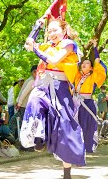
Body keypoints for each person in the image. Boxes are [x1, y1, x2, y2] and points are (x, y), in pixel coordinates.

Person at [21, 18, 86, 179]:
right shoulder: (47, 46)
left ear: (63, 31)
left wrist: (36, 48)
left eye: (55, 30)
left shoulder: (69, 45)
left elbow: (54, 60)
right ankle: (39, 137)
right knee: (34, 101)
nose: (51, 33)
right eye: (49, 31)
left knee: (65, 128)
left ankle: (67, 172)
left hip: (60, 88)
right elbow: (28, 44)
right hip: (43, 85)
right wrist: (37, 26)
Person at [73, 38, 107, 153]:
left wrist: (95, 47)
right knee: (75, 125)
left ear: (91, 68)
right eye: (83, 63)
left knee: (87, 126)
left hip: (87, 103)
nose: (84, 64)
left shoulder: (93, 77)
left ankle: (85, 148)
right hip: (76, 103)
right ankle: (75, 148)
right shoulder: (77, 76)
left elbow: (97, 60)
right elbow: (73, 61)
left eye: (87, 63)